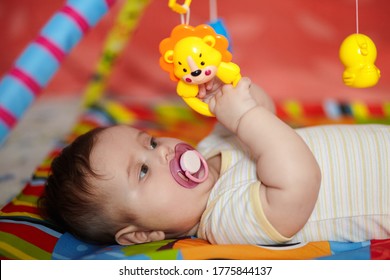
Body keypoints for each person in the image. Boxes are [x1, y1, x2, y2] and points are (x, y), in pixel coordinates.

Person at [39, 77, 390, 245]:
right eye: (143, 171)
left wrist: (229, 89)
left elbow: (263, 111)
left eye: (150, 141)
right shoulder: (225, 221)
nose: (161, 151)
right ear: (145, 233)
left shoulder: (210, 148)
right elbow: (300, 179)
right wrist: (243, 118)